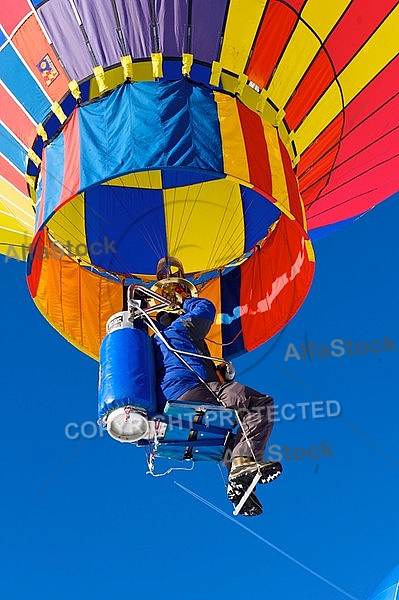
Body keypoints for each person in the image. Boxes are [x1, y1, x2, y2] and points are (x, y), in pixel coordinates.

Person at [152, 265, 282, 517]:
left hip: (170, 406)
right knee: (259, 404)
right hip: (195, 388)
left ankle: (240, 485)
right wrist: (186, 299)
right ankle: (242, 464)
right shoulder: (181, 329)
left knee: (228, 437)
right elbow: (206, 309)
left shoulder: (155, 344)